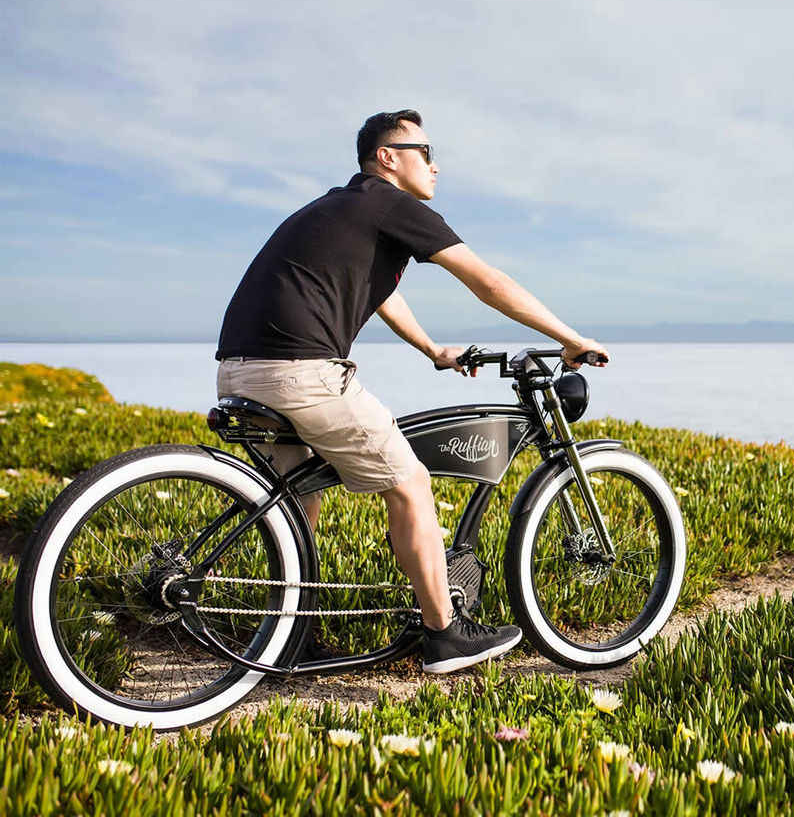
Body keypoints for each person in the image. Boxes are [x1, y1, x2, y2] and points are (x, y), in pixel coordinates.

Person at [214, 109, 609, 673]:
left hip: (240, 370)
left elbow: (373, 290)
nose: (436, 165)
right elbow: (489, 282)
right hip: (302, 373)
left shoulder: (339, 209)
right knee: (410, 481)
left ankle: (290, 631)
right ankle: (444, 632)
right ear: (388, 158)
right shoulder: (390, 203)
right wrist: (571, 338)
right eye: (426, 152)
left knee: (300, 500)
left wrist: (432, 349)